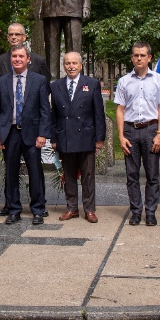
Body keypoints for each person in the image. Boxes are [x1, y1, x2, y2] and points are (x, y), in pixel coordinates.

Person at [0, 43, 51, 225]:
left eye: (21, 57)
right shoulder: (1, 82)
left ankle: (38, 210)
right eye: (14, 56)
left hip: (32, 134)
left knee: (35, 172)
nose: (17, 59)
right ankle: (14, 209)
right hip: (10, 134)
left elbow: (44, 110)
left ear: (28, 59)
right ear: (11, 59)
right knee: (11, 173)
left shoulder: (39, 80)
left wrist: (42, 134)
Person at [115, 42, 160, 226]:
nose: (139, 58)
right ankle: (136, 212)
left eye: (142, 55)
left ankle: (151, 212)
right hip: (130, 130)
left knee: (152, 175)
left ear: (149, 57)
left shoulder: (159, 80)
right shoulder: (124, 81)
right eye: (136, 55)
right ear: (132, 58)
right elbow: (120, 109)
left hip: (151, 130)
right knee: (132, 175)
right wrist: (121, 136)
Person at [50, 52, 106, 223]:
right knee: (69, 175)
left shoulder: (92, 84)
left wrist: (100, 138)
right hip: (65, 137)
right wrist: (53, 138)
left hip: (86, 137)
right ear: (64, 66)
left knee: (88, 175)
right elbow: (54, 115)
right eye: (67, 63)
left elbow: (99, 113)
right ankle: (72, 208)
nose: (71, 66)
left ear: (81, 65)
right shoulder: (56, 86)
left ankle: (89, 209)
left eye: (74, 63)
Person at [0, 22, 51, 89]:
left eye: (17, 34)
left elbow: (46, 86)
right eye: (11, 34)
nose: (13, 37)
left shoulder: (38, 61)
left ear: (24, 37)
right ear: (8, 37)